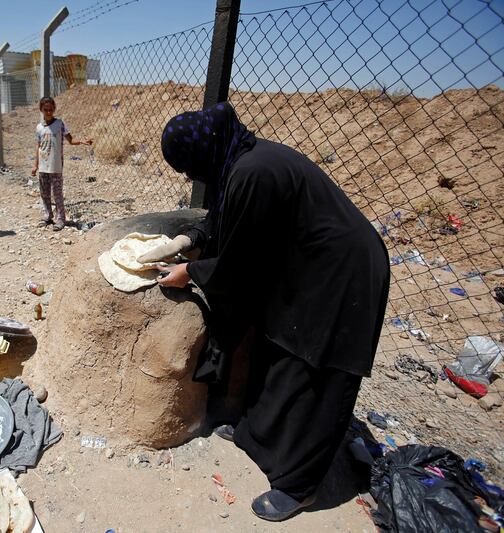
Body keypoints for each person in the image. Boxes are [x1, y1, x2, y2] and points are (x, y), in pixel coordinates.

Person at [141, 103, 390, 521]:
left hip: (344, 272)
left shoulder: (253, 171)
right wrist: (188, 240)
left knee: (318, 371)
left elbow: (240, 264)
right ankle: (257, 438)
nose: (190, 177)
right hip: (309, 265)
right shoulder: (238, 160)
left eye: (188, 167)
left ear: (203, 151)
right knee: (281, 351)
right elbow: (225, 220)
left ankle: (300, 486)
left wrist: (190, 272)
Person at [30, 96, 93, 231]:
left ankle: (61, 219)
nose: (48, 112)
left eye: (51, 109)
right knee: (44, 193)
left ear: (54, 109)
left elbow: (70, 140)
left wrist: (82, 141)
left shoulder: (60, 124)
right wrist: (35, 165)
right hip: (43, 166)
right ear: (41, 110)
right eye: (45, 110)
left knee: (57, 193)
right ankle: (48, 216)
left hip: (56, 166)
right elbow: (38, 147)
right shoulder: (39, 128)